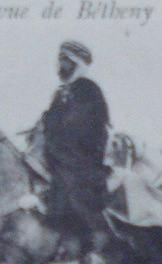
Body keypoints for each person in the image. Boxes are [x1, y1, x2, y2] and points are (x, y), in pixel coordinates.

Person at [36, 40, 110, 233]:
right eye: (60, 60)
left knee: (74, 190)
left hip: (82, 156)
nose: (60, 65)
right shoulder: (60, 94)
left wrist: (54, 129)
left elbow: (81, 124)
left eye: (65, 60)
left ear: (77, 63)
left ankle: (89, 240)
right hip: (60, 153)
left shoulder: (88, 89)